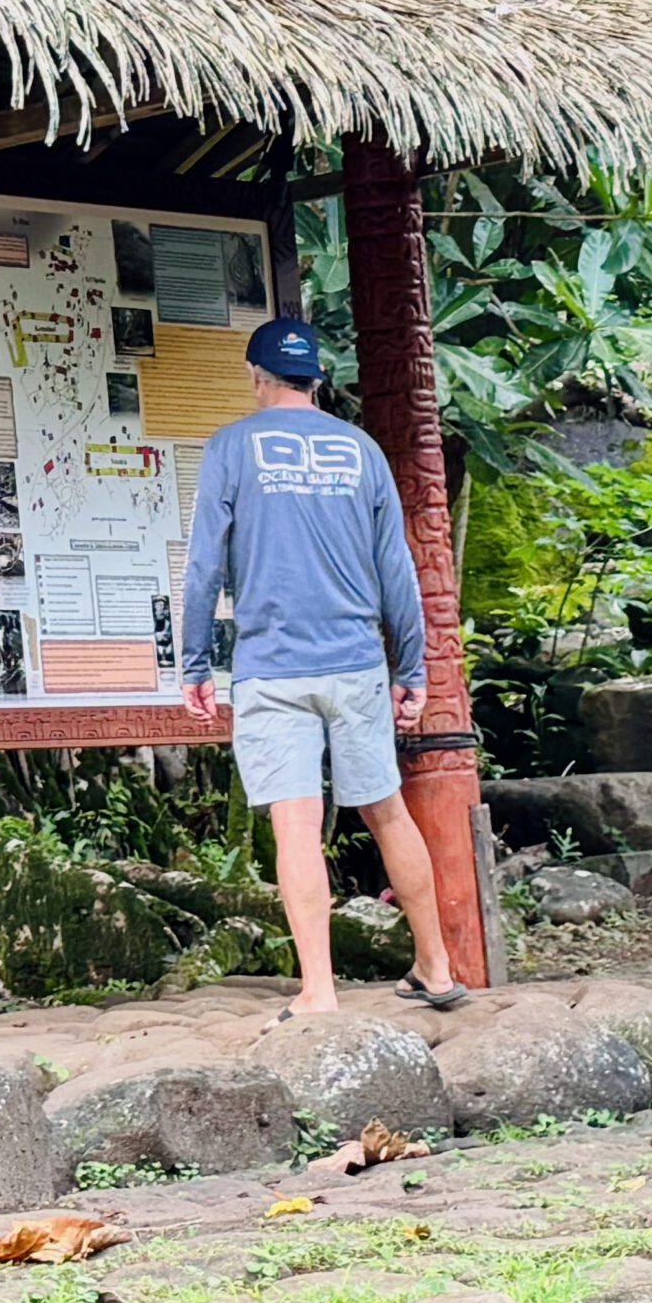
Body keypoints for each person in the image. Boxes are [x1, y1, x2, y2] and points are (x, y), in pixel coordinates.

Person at [179, 316, 467, 1019]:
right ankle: (435, 967)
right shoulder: (361, 450)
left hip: (274, 668)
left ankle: (320, 992)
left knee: (296, 824)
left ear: (256, 377)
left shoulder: (232, 448)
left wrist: (193, 659)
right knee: (388, 812)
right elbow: (395, 567)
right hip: (356, 664)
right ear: (315, 380)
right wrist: (414, 669)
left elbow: (203, 565)